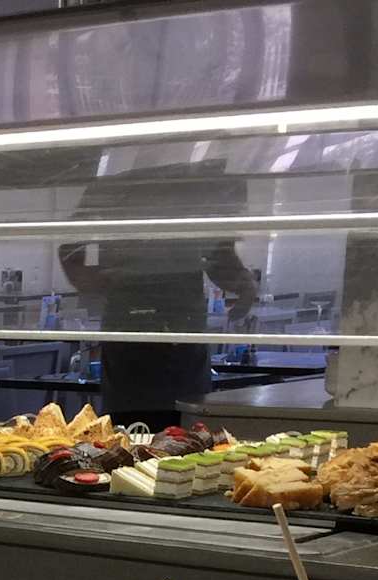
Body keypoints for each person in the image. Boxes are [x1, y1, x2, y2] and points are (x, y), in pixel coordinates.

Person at [56, 161, 258, 425]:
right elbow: (70, 246)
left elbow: (220, 253)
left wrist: (242, 283)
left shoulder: (200, 188)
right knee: (133, 425)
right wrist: (101, 281)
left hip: (180, 330)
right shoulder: (114, 187)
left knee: (186, 423)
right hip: (134, 329)